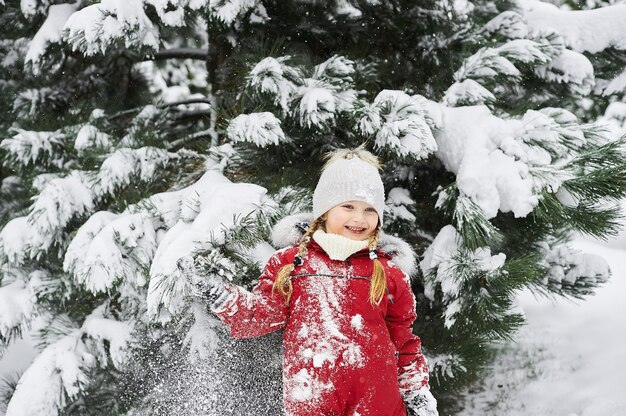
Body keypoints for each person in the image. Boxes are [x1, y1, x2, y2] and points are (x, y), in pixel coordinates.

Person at [179, 147, 438, 416]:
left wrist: (416, 391)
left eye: (369, 210)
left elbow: (403, 341)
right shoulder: (291, 264)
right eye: (348, 206)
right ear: (324, 211)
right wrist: (224, 297)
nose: (359, 218)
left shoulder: (388, 272)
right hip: (312, 397)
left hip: (378, 403)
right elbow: (263, 315)